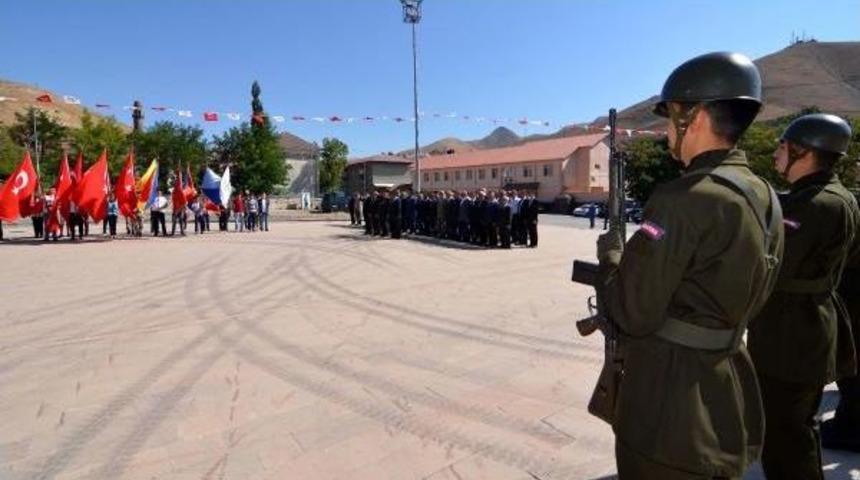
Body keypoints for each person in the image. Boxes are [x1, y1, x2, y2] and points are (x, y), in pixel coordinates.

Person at [596, 51, 784, 479]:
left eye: (670, 120)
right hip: (725, 389)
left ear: (693, 119)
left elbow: (631, 310)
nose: (666, 133)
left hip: (669, 406)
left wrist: (611, 256)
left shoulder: (683, 198)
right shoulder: (764, 195)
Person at [748, 113, 859, 479]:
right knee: (793, 432)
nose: (776, 153)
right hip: (803, 328)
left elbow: (769, 267)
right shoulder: (833, 196)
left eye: (783, 146)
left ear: (805, 152)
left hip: (791, 336)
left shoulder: (814, 204)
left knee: (786, 439)